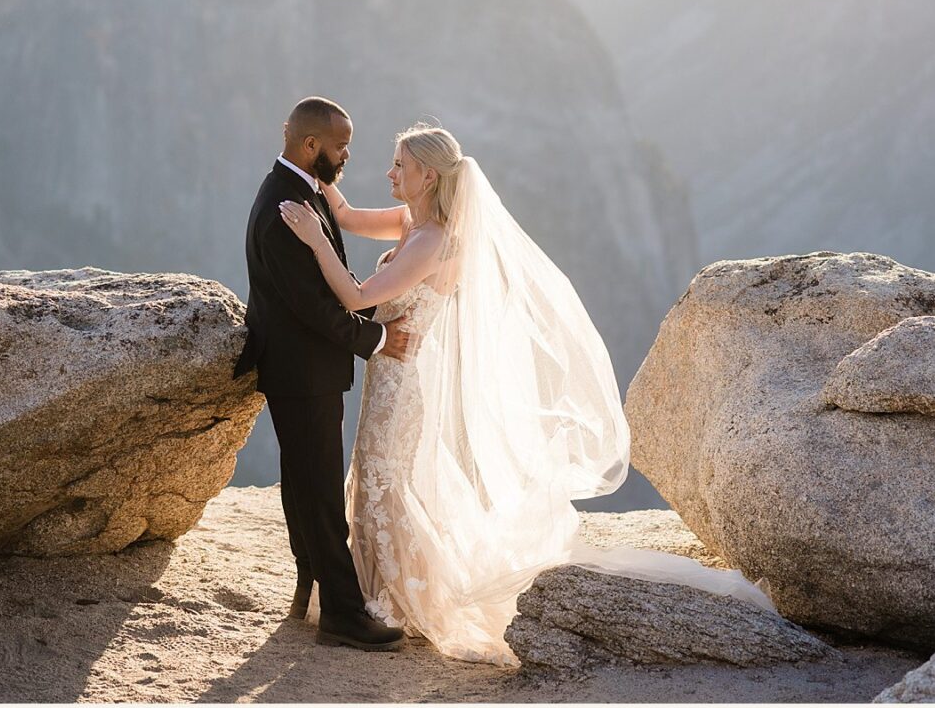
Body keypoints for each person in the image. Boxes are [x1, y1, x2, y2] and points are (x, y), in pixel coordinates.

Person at [280, 122, 774, 665]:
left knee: (388, 480)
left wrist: (313, 239)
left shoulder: (433, 241)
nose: (389, 173)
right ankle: (378, 594)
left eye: (399, 164)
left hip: (407, 383)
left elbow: (353, 295)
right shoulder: (408, 220)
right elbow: (348, 216)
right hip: (389, 374)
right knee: (375, 476)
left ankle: (399, 601)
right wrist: (318, 173)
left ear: (426, 175)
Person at [233, 96, 411, 652]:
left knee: (305, 485)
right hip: (302, 369)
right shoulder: (285, 208)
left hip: (297, 368)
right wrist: (377, 339)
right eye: (341, 146)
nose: (348, 155)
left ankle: (308, 584)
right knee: (321, 493)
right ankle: (342, 614)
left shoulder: (294, 191)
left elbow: (332, 267)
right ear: (311, 146)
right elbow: (313, 307)